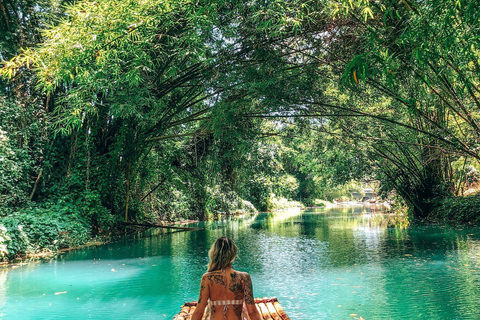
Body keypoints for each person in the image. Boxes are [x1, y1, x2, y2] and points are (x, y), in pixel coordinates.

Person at [191, 236, 262, 320]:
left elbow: (199, 312)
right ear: (233, 255)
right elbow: (252, 312)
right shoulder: (244, 277)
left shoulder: (207, 278)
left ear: (214, 254)